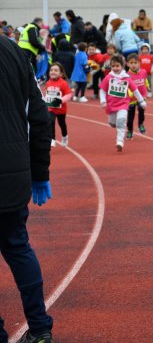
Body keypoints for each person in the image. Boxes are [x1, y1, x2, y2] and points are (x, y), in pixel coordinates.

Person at [0, 35, 54, 343]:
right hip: (14, 173)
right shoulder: (16, 53)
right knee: (18, 247)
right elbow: (40, 117)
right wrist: (40, 173)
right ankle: (39, 328)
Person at [99, 54, 147, 152]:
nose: (115, 68)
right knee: (113, 123)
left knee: (121, 122)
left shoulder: (126, 78)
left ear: (122, 66)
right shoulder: (108, 78)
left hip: (123, 104)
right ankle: (115, 125)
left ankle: (120, 142)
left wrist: (141, 101)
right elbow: (102, 90)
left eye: (117, 66)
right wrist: (103, 101)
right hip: (111, 105)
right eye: (113, 66)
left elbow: (135, 90)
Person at [44, 62, 73, 147]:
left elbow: (69, 95)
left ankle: (65, 136)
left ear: (61, 73)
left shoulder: (63, 83)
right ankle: (52, 139)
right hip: (51, 108)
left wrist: (60, 100)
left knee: (62, 123)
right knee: (50, 121)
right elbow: (47, 94)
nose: (53, 72)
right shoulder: (48, 82)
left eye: (56, 70)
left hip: (61, 109)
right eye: (51, 70)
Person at [125, 53, 150, 138]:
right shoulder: (127, 75)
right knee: (130, 116)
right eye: (131, 63)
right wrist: (130, 92)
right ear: (127, 64)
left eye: (135, 63)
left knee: (141, 110)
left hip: (142, 96)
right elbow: (126, 86)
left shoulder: (143, 72)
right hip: (131, 99)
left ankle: (141, 124)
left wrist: (147, 86)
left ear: (139, 63)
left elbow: (145, 79)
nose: (133, 65)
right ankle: (130, 130)